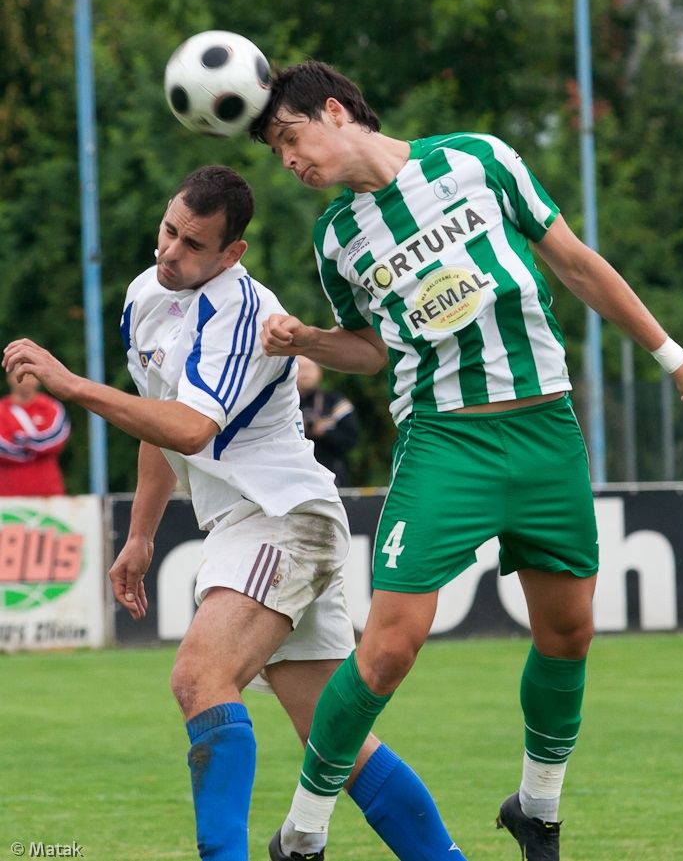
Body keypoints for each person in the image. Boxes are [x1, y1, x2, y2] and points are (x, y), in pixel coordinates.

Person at [251, 59, 683, 861]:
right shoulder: (337, 238)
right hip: (447, 441)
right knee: (388, 646)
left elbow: (576, 262)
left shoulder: (479, 159)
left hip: (546, 430)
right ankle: (305, 831)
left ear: (332, 110)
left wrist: (674, 357)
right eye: (277, 154)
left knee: (569, 631)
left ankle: (537, 806)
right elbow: (373, 347)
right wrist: (309, 339)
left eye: (290, 138)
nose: (289, 161)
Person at [2, 165, 468, 861]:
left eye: (193, 245)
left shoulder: (245, 314)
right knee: (331, 737)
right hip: (259, 524)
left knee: (199, 676)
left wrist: (71, 383)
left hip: (280, 516)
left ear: (231, 254)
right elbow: (158, 425)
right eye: (168, 229)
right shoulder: (145, 295)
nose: (169, 252)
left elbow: (190, 429)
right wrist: (139, 535)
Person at [0, 370, 71, 497]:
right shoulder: (2, 410)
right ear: (9, 377)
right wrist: (37, 449)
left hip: (49, 495)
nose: (26, 380)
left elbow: (56, 439)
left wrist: (20, 440)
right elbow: (3, 448)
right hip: (8, 497)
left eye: (30, 374)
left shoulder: (52, 407)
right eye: (20, 374)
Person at [296, 355, 359, 487]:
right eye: (299, 368)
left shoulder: (335, 403)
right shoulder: (285, 406)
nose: (304, 374)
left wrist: (323, 433)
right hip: (296, 478)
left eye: (308, 368)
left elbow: (351, 439)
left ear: (319, 372)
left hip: (332, 478)